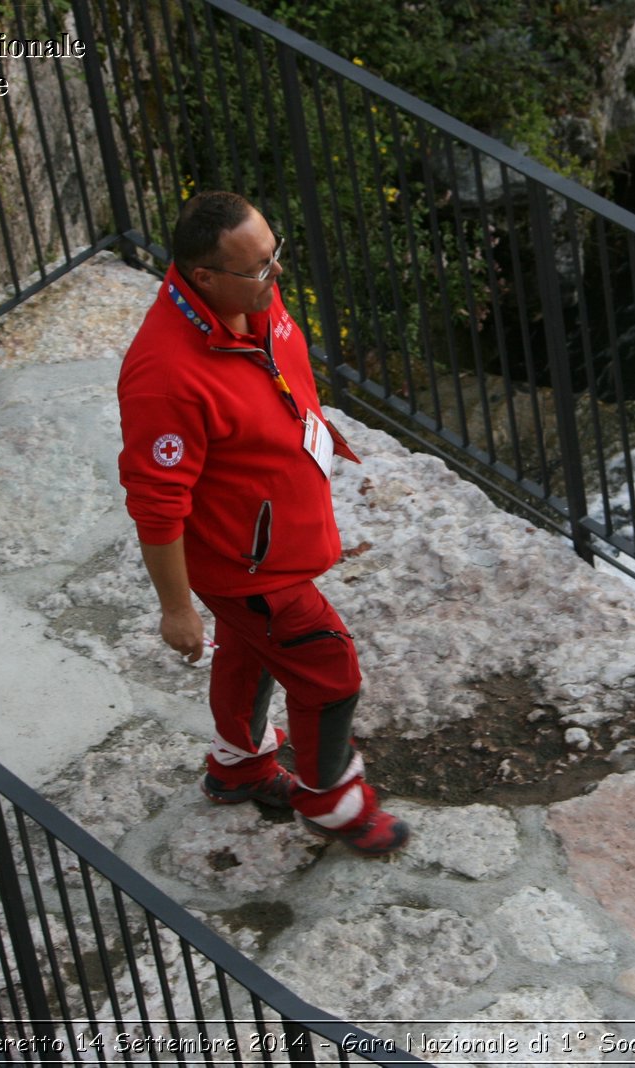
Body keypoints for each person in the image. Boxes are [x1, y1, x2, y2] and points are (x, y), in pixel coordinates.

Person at [116, 191, 408, 857]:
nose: (276, 278)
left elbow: (278, 374)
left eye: (276, 257)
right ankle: (334, 805)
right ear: (203, 278)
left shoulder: (248, 297)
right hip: (245, 568)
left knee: (252, 654)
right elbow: (156, 505)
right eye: (259, 269)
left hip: (272, 541)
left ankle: (238, 767)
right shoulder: (164, 377)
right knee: (329, 672)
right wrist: (175, 608)